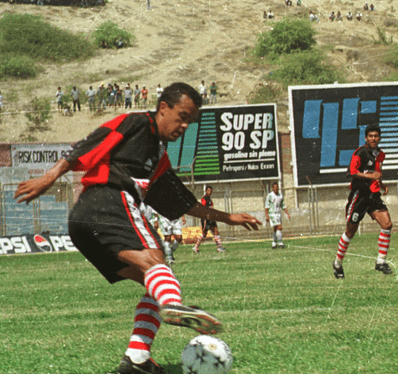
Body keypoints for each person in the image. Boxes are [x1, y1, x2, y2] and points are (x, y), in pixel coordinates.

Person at [14, 82, 261, 374]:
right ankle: (174, 306)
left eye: (189, 121)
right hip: (108, 201)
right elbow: (91, 142)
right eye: (181, 115)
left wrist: (228, 217)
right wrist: (50, 177)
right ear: (164, 107)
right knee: (157, 263)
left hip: (84, 222)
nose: (184, 125)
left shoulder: (159, 156)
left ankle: (137, 359)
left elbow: (180, 201)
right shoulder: (136, 122)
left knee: (154, 280)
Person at [332, 125, 394, 279]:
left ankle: (380, 262)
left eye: (376, 136)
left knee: (387, 224)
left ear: (380, 138)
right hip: (359, 196)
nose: (374, 138)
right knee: (350, 232)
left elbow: (377, 173)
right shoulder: (360, 153)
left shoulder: (380, 155)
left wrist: (381, 184)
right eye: (371, 136)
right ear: (366, 138)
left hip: (373, 196)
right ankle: (337, 264)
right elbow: (351, 172)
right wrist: (370, 177)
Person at [193, 186, 226, 253]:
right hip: (206, 219)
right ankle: (195, 247)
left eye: (210, 191)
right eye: (208, 191)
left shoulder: (209, 199)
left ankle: (219, 247)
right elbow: (203, 208)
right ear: (205, 191)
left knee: (216, 232)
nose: (209, 192)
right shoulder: (204, 198)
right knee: (204, 234)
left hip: (211, 218)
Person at [265, 182, 291, 249]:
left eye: (277, 187)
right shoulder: (270, 196)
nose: (276, 189)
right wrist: (267, 215)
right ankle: (280, 243)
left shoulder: (280, 195)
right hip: (272, 214)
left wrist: (287, 214)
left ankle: (274, 243)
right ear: (272, 188)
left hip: (278, 214)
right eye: (275, 188)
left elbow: (283, 205)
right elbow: (267, 206)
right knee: (279, 227)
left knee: (275, 229)